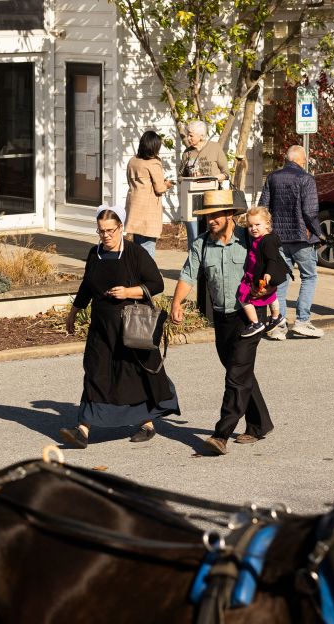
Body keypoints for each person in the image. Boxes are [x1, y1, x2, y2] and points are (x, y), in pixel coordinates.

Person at [59, 205, 181, 448]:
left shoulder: (135, 253)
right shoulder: (95, 254)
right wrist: (74, 312)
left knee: (133, 375)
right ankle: (83, 429)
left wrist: (129, 292)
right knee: (95, 372)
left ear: (121, 227)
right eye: (101, 231)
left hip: (130, 326)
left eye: (110, 230)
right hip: (101, 327)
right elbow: (86, 286)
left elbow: (156, 284)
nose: (106, 236)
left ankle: (147, 423)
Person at [169, 189, 274, 456]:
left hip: (248, 316)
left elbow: (274, 264)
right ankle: (260, 423)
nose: (211, 220)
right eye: (207, 216)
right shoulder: (202, 244)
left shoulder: (249, 239)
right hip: (221, 316)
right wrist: (177, 302)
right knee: (239, 370)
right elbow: (188, 274)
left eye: (216, 215)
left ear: (230, 215)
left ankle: (221, 434)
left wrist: (268, 290)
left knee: (236, 375)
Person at [258, 144, 323, 340]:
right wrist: (319, 233)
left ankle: (279, 323)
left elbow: (263, 207)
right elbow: (310, 212)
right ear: (300, 160)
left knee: (281, 280)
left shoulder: (272, 177)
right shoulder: (306, 179)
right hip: (301, 238)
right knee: (309, 277)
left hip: (278, 238)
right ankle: (303, 321)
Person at [236, 206, 289, 338]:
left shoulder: (267, 240)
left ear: (267, 224)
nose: (253, 228)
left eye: (257, 224)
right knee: (271, 296)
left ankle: (255, 323)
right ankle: (276, 317)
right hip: (259, 274)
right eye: (250, 225)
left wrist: (268, 273)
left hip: (262, 276)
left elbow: (272, 259)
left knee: (243, 296)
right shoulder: (259, 239)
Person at [125, 130, 174, 259]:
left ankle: (137, 272)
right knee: (148, 244)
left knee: (138, 242)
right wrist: (168, 184)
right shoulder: (153, 163)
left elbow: (130, 181)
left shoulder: (132, 161)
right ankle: (149, 274)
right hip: (148, 208)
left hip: (135, 205)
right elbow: (159, 188)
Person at [178, 120, 227, 247]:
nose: (188, 138)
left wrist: (216, 178)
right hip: (192, 202)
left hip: (211, 199)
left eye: (191, 135)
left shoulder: (215, 148)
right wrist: (189, 179)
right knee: (194, 239)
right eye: (188, 135)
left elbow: (226, 173)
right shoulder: (187, 153)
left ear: (201, 135)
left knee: (212, 233)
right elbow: (180, 177)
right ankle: (195, 263)